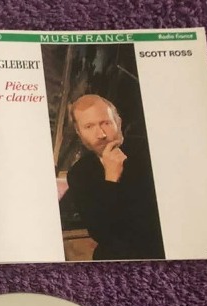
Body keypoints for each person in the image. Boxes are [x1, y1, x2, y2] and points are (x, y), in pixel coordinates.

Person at [66, 94, 165, 260]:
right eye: (89, 127)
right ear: (79, 132)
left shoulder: (150, 151)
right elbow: (102, 234)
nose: (101, 134)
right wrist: (111, 177)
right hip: (116, 259)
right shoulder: (79, 173)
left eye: (106, 123)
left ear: (118, 122)